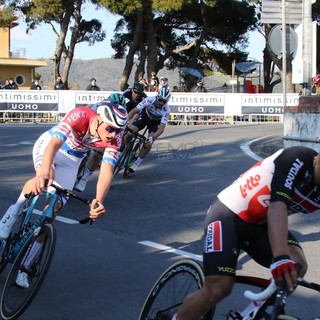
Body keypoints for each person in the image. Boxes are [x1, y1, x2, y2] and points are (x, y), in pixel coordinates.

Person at [171, 145, 320, 320]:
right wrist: (280, 257)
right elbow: (277, 205)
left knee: (297, 265)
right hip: (228, 215)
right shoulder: (297, 158)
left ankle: (256, 314)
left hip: (261, 226)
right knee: (219, 288)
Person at [0, 99, 127, 287]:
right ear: (99, 119)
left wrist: (99, 200)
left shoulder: (115, 139)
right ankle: (13, 212)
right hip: (50, 147)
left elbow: (107, 170)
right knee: (45, 177)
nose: (113, 134)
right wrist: (43, 171)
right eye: (110, 129)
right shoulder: (82, 115)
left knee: (52, 211)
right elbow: (54, 144)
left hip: (72, 162)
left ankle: (25, 266)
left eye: (118, 130)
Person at [74, 92, 126, 192]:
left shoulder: (122, 115)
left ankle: (84, 178)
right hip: (91, 129)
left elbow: (119, 135)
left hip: (104, 135)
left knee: (97, 154)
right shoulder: (98, 106)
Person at [123, 87, 171, 173]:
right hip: (144, 117)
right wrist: (125, 122)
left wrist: (152, 138)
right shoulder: (149, 100)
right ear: (157, 97)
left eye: (164, 101)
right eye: (160, 100)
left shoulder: (167, 110)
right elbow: (134, 111)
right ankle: (121, 151)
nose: (161, 103)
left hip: (155, 123)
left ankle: (136, 163)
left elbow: (161, 128)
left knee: (149, 142)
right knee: (130, 132)